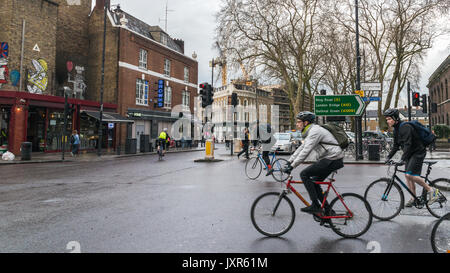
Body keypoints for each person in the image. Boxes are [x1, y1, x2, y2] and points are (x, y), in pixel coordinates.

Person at [282, 111, 344, 214]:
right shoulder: (311, 131)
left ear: (305, 123)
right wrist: (289, 161)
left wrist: (292, 166)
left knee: (304, 174)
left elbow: (306, 151)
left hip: (333, 158)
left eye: (298, 122)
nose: (297, 124)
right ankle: (328, 210)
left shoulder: (315, 131)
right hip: (332, 158)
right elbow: (301, 148)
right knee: (314, 183)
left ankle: (315, 205)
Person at [383, 108, 440, 207]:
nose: (388, 121)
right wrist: (388, 157)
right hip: (410, 154)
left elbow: (408, 144)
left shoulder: (405, 127)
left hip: (418, 152)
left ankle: (432, 190)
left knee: (410, 175)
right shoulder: (396, 130)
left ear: (395, 118)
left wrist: (402, 159)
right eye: (387, 119)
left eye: (389, 119)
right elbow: (396, 146)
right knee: (407, 176)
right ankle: (413, 198)